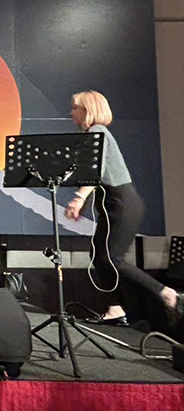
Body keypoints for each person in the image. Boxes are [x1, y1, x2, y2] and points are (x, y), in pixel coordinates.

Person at [65, 90, 182, 326]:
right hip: (114, 203)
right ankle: (116, 307)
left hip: (121, 202)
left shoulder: (97, 131)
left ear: (88, 110)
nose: (71, 113)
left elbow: (94, 171)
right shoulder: (93, 134)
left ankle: (165, 293)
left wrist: (78, 200)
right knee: (99, 256)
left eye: (75, 108)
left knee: (112, 258)